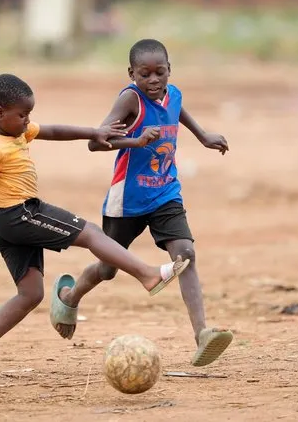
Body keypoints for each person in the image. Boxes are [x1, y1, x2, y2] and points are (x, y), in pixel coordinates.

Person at [0, 73, 190, 381]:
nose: (28, 120)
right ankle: (147, 274)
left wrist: (94, 132)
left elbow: (54, 130)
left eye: (29, 114)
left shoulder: (14, 130)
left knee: (30, 294)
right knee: (93, 233)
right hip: (19, 214)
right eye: (22, 115)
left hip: (5, 221)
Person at [50, 39, 233, 367]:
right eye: (144, 74)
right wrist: (135, 140)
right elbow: (96, 143)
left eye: (159, 73)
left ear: (169, 71)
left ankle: (202, 334)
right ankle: (69, 297)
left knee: (186, 255)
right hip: (127, 200)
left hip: (165, 193)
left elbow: (177, 111)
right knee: (107, 270)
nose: (153, 80)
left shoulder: (173, 93)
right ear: (131, 73)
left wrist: (203, 136)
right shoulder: (129, 101)